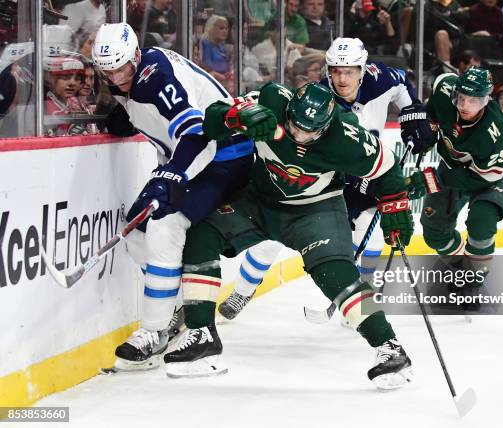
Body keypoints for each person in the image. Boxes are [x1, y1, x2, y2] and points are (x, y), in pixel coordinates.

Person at [163, 81, 414, 390]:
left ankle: (389, 345)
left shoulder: (348, 138)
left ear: (326, 126)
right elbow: (211, 118)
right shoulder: (270, 100)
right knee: (201, 235)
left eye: (309, 132)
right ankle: (202, 335)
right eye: (295, 125)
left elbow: (388, 172)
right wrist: (237, 117)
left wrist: (396, 208)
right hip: (259, 200)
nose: (298, 135)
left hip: (315, 210)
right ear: (290, 110)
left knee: (336, 275)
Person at [218, 37, 434, 321]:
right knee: (270, 239)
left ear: (362, 69)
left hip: (368, 168)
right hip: (325, 179)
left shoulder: (381, 79)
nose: (342, 78)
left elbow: (402, 83)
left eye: (349, 71)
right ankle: (243, 291)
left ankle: (361, 297)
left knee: (369, 230)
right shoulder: (318, 101)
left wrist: (412, 111)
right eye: (335, 71)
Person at [90, 23, 256, 371]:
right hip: (193, 155)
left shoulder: (156, 77)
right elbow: (152, 115)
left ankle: (154, 330)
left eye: (121, 69)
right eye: (107, 71)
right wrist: (126, 115)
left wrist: (171, 174)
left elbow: (196, 134)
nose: (116, 78)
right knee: (137, 234)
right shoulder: (130, 77)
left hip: (224, 153)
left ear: (135, 57)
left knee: (164, 226)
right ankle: (179, 307)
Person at [421, 67, 503, 289]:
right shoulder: (445, 90)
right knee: (434, 231)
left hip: (495, 176)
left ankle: (473, 281)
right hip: (452, 166)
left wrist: (430, 180)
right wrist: (421, 126)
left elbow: (488, 175)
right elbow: (431, 111)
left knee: (481, 222)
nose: (464, 105)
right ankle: (460, 268)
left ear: (486, 100)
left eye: (473, 101)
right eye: (461, 98)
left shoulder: (497, 129)